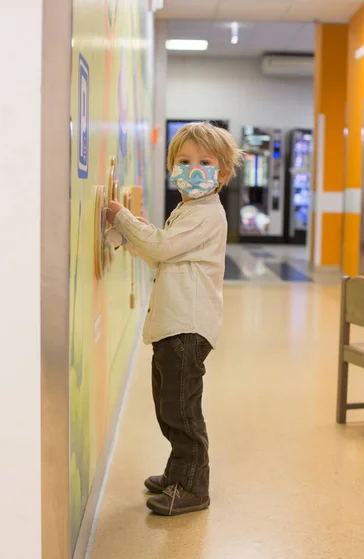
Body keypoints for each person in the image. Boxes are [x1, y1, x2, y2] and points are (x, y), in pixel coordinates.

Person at [107, 122, 243, 516]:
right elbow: (158, 254)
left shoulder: (207, 213)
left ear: (221, 174)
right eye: (183, 161)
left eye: (204, 162)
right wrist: (127, 235)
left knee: (182, 409)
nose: (192, 168)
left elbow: (162, 248)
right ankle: (177, 472)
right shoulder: (188, 210)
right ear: (171, 166)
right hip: (173, 324)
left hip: (188, 325)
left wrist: (122, 218)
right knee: (168, 406)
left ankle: (193, 486)